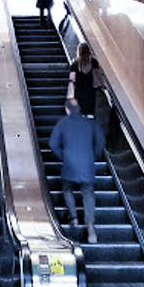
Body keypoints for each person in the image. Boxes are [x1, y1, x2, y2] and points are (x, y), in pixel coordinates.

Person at [48, 99, 105, 243]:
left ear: (66, 109)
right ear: (78, 108)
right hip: (87, 165)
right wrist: (92, 156)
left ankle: (73, 218)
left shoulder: (62, 123)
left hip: (69, 164)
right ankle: (90, 226)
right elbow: (100, 143)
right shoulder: (91, 123)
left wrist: (64, 156)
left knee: (67, 189)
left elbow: (52, 144)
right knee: (88, 193)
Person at [68, 43, 102, 117]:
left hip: (79, 93)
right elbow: (98, 79)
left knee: (80, 115)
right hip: (90, 94)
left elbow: (71, 81)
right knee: (90, 114)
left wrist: (70, 96)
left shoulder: (75, 64)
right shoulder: (93, 63)